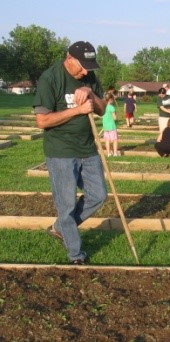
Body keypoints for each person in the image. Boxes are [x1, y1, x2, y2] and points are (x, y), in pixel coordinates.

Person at [33, 41, 108, 265]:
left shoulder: (89, 77)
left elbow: (102, 110)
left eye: (89, 66)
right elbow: (42, 121)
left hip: (87, 148)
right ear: (69, 59)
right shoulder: (50, 78)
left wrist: (91, 94)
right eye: (82, 66)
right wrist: (78, 110)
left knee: (98, 195)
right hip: (61, 151)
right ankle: (76, 255)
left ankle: (60, 228)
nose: (86, 71)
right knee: (66, 205)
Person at [102, 92, 119, 157]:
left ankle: (108, 153)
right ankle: (115, 153)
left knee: (107, 140)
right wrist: (116, 115)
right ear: (110, 99)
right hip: (112, 126)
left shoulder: (104, 107)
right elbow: (114, 118)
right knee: (114, 140)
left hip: (105, 127)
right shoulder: (111, 107)